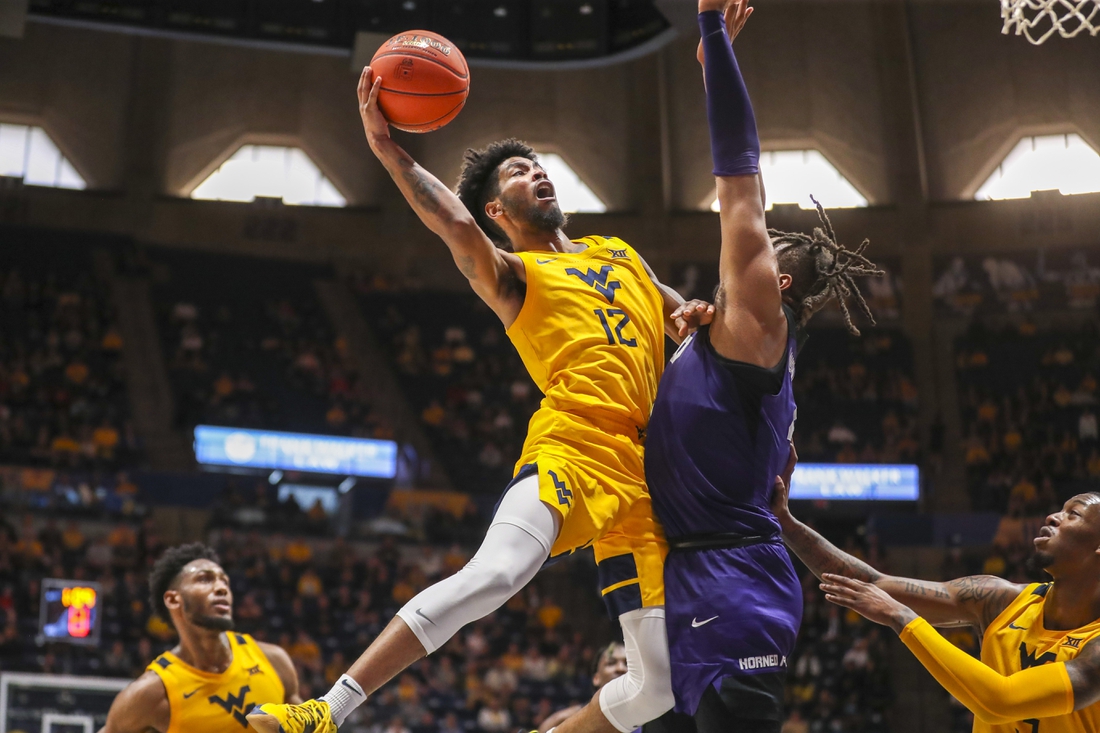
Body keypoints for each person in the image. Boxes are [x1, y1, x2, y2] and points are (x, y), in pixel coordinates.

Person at [249, 58, 712, 733]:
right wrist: (386, 149)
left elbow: (685, 321)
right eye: (518, 172)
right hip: (572, 447)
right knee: (496, 575)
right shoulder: (513, 273)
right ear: (497, 210)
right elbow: (454, 225)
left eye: (538, 164)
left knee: (661, 685)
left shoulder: (619, 252)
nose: (537, 172)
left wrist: (697, 315)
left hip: (646, 476)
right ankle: (327, 709)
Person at [643, 2, 882, 731]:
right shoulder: (721, 337)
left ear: (777, 282)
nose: (751, 247)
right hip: (697, 569)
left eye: (768, 251)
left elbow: (739, 177)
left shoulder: (758, 313)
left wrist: (712, 27)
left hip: (736, 577)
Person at [772, 452, 1100, 732]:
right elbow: (874, 584)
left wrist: (904, 620)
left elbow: (1001, 701)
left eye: (1073, 514)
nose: (1052, 516)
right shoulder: (1000, 600)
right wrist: (785, 523)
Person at [99, 544, 300, 733]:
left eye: (224, 581)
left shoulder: (273, 660)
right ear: (173, 599)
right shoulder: (151, 694)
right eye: (205, 579)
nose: (222, 588)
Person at [539, 642, 629, 732]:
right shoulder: (561, 720)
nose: (621, 668)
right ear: (596, 678)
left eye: (627, 664)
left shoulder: (642, 718)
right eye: (611, 663)